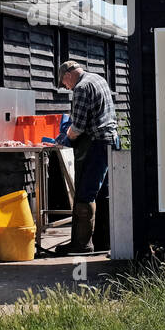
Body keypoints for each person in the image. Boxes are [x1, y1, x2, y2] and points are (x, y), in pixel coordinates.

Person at [55, 60, 118, 255]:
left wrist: (64, 139)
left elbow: (78, 126)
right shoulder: (99, 79)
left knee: (85, 193)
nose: (66, 87)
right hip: (111, 140)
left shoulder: (81, 88)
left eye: (64, 84)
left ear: (68, 75)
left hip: (96, 143)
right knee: (103, 193)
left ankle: (82, 245)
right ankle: (105, 242)